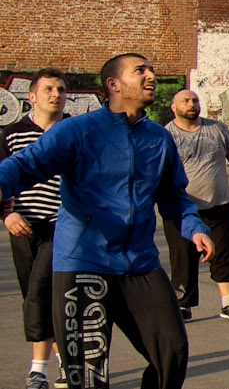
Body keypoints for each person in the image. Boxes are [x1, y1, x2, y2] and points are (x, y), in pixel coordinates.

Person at [0, 53, 212, 389]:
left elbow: (174, 197)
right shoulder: (78, 131)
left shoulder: (158, 138)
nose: (150, 76)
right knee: (88, 376)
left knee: (171, 353)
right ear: (113, 84)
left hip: (139, 263)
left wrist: (195, 227)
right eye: (139, 71)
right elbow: (25, 165)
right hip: (83, 264)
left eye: (151, 70)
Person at [161, 90, 229, 324]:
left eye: (194, 100)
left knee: (225, 256)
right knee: (182, 258)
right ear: (174, 108)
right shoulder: (165, 135)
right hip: (182, 209)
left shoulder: (216, 128)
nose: (191, 104)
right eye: (185, 101)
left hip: (219, 204)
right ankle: (183, 305)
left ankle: (228, 305)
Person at [1, 70, 66, 389]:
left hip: (64, 228)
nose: (56, 94)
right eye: (49, 89)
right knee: (33, 297)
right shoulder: (12, 134)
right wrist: (6, 216)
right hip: (23, 227)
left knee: (48, 293)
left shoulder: (73, 131)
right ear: (32, 96)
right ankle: (56, 364)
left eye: (62, 90)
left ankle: (41, 369)